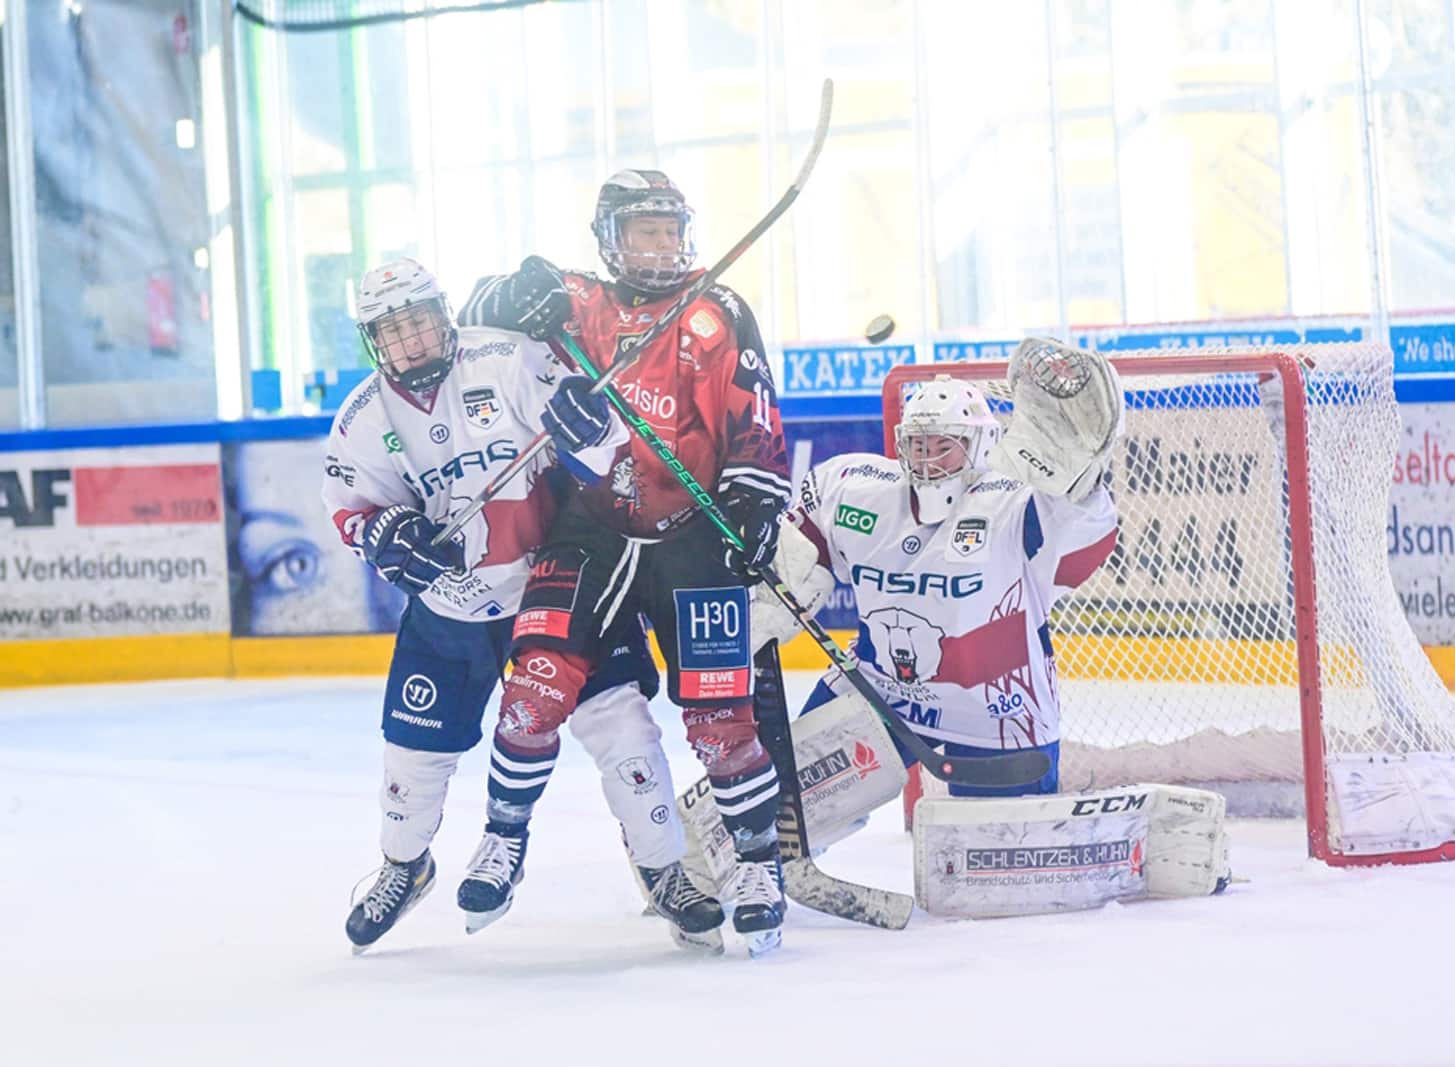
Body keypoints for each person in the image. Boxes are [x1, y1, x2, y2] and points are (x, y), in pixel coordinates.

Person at [325, 257, 723, 955]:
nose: (410, 341)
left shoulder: (506, 357)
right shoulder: (361, 419)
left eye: (418, 320)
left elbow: (608, 459)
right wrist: (389, 535)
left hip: (561, 579)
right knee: (411, 755)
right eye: (391, 332)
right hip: (453, 604)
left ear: (443, 313)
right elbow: (354, 516)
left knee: (622, 725)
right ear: (372, 341)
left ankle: (665, 870)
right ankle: (403, 866)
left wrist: (592, 430)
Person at [456, 169, 793, 956]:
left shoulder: (718, 310)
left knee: (718, 719)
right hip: (591, 526)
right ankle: (503, 841)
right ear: (611, 238)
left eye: (671, 230)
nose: (662, 246)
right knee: (533, 685)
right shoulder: (575, 303)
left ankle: (756, 865)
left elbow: (758, 415)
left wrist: (754, 502)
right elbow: (472, 315)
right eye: (645, 231)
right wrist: (513, 291)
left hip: (691, 532)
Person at [755, 339, 1124, 806]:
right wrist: (766, 602)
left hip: (999, 711)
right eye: (917, 444)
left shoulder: (1017, 503)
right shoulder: (856, 490)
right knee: (786, 808)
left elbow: (1081, 554)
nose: (927, 459)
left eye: (944, 446)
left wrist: (1083, 488)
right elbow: (805, 549)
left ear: (981, 445)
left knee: (998, 859)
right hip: (881, 691)